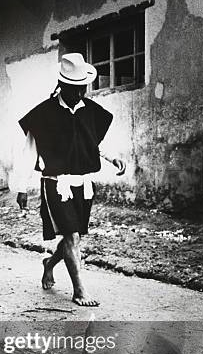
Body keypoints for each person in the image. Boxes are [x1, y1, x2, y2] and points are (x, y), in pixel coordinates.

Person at [12, 53, 125, 307]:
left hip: (83, 184)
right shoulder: (43, 114)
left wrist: (113, 158)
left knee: (73, 237)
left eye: (82, 88)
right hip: (56, 183)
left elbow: (94, 141)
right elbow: (29, 152)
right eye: (74, 88)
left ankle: (48, 264)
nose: (79, 93)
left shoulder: (91, 111)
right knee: (72, 236)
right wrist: (22, 188)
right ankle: (80, 291)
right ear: (62, 85)